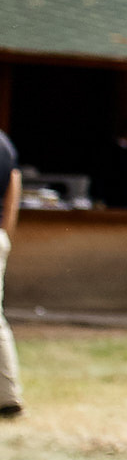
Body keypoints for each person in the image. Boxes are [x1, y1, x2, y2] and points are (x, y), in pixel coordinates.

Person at [0, 120, 19, 419]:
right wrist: (5, 234)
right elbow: (13, 189)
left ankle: (8, 396)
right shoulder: (3, 145)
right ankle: (7, 395)